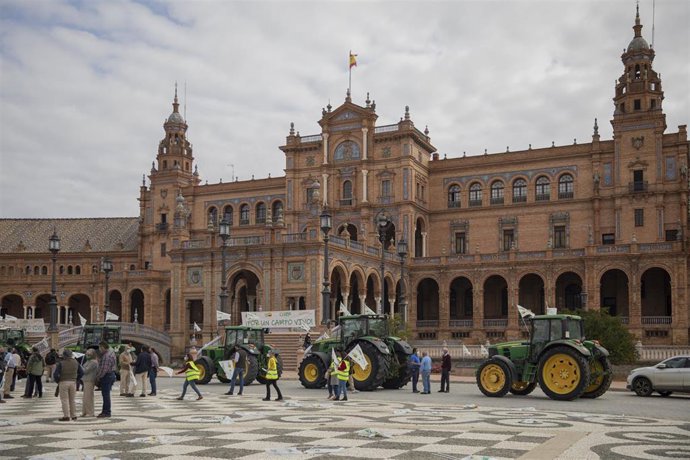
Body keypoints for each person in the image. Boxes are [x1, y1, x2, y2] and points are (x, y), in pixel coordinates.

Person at [54, 349, 83, 421]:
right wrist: (77, 379)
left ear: (64, 355)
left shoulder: (61, 363)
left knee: (64, 400)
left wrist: (58, 381)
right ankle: (73, 415)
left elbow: (55, 374)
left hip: (63, 382)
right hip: (73, 382)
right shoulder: (76, 362)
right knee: (72, 400)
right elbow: (82, 372)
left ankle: (66, 416)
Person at [96, 341, 117, 418]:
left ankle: (106, 412)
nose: (99, 350)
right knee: (106, 395)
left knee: (105, 395)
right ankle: (105, 411)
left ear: (103, 347)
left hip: (107, 376)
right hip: (111, 375)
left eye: (100, 348)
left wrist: (98, 377)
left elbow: (103, 369)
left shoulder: (106, 356)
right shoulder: (111, 353)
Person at [81, 348, 99, 418]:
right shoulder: (88, 361)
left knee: (89, 397)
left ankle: (90, 412)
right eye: (87, 353)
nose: (87, 354)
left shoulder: (93, 362)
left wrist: (80, 367)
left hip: (90, 380)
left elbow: (85, 370)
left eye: (89, 353)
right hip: (85, 380)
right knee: (85, 397)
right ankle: (84, 412)